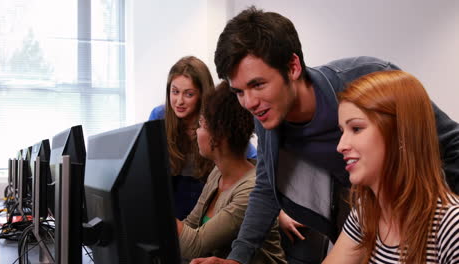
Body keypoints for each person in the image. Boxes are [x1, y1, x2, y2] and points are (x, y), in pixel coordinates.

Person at [191, 6, 459, 264]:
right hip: (367, 220)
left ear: (293, 67)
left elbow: (451, 144)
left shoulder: (365, 80)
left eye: (258, 84)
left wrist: (431, 219)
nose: (249, 102)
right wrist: (238, 258)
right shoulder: (268, 114)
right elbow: (266, 186)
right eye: (238, 91)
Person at [323, 70, 459, 263]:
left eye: (356, 129)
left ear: (400, 134)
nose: (341, 146)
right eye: (342, 131)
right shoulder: (366, 212)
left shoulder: (451, 226)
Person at [176, 81, 286, 264]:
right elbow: (190, 225)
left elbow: (194, 246)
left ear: (218, 136)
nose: (197, 131)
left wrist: (152, 208)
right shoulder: (217, 173)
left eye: (201, 124)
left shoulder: (251, 189)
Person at [149, 56, 257, 220]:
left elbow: (252, 160)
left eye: (189, 94)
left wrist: (275, 209)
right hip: (173, 191)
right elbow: (149, 166)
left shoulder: (215, 120)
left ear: (202, 95)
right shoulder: (159, 116)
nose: (179, 101)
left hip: (207, 191)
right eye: (175, 91)